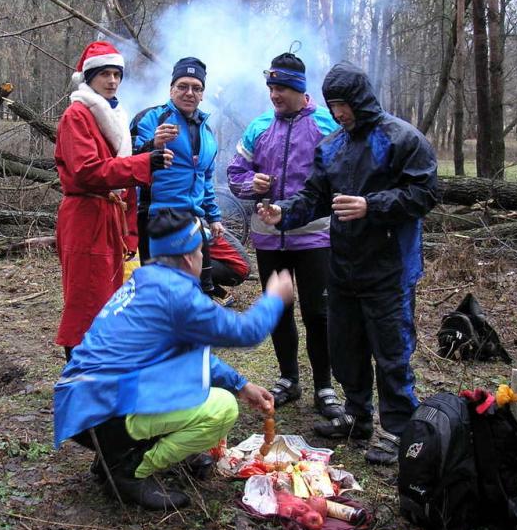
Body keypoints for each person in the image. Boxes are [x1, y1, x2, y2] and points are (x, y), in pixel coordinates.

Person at [257, 61, 438, 465]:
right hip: (343, 264)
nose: (338, 112)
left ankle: (398, 428)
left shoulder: (401, 139)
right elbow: (314, 197)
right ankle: (357, 415)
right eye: (332, 105)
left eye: (343, 104)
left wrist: (371, 206)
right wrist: (283, 213)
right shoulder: (332, 145)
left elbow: (425, 193)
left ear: (360, 100)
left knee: (391, 351)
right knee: (345, 346)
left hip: (390, 266)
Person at [53, 209, 293, 510]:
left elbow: (188, 356)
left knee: (191, 388)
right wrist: (273, 297)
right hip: (102, 413)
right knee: (221, 408)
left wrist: (241, 383)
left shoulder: (144, 282)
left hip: (80, 410)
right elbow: (246, 331)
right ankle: (129, 471)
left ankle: (110, 457)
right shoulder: (178, 296)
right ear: (190, 256)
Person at [227, 52, 341, 419]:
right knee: (279, 312)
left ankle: (325, 386)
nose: (274, 94)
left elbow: (344, 175)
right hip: (268, 237)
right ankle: (289, 379)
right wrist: (250, 182)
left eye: (281, 88)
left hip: (315, 237)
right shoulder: (259, 126)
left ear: (300, 89)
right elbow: (234, 172)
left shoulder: (327, 124)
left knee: (318, 312)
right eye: (271, 87)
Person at [54, 41, 173, 361]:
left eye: (117, 74)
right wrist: (145, 163)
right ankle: (80, 381)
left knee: (109, 301)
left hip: (110, 217)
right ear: (89, 77)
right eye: (105, 74)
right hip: (85, 218)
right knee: (86, 302)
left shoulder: (113, 114)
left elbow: (124, 187)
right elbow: (87, 172)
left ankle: (103, 379)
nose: (112, 81)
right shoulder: (76, 115)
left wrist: (130, 232)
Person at [131, 57, 224, 297]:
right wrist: (155, 144)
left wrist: (213, 216)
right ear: (171, 89)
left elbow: (205, 177)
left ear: (203, 94)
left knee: (199, 291)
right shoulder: (151, 119)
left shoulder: (206, 129)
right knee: (158, 292)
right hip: (156, 216)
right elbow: (126, 162)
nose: (189, 93)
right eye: (182, 86)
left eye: (196, 88)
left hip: (192, 218)